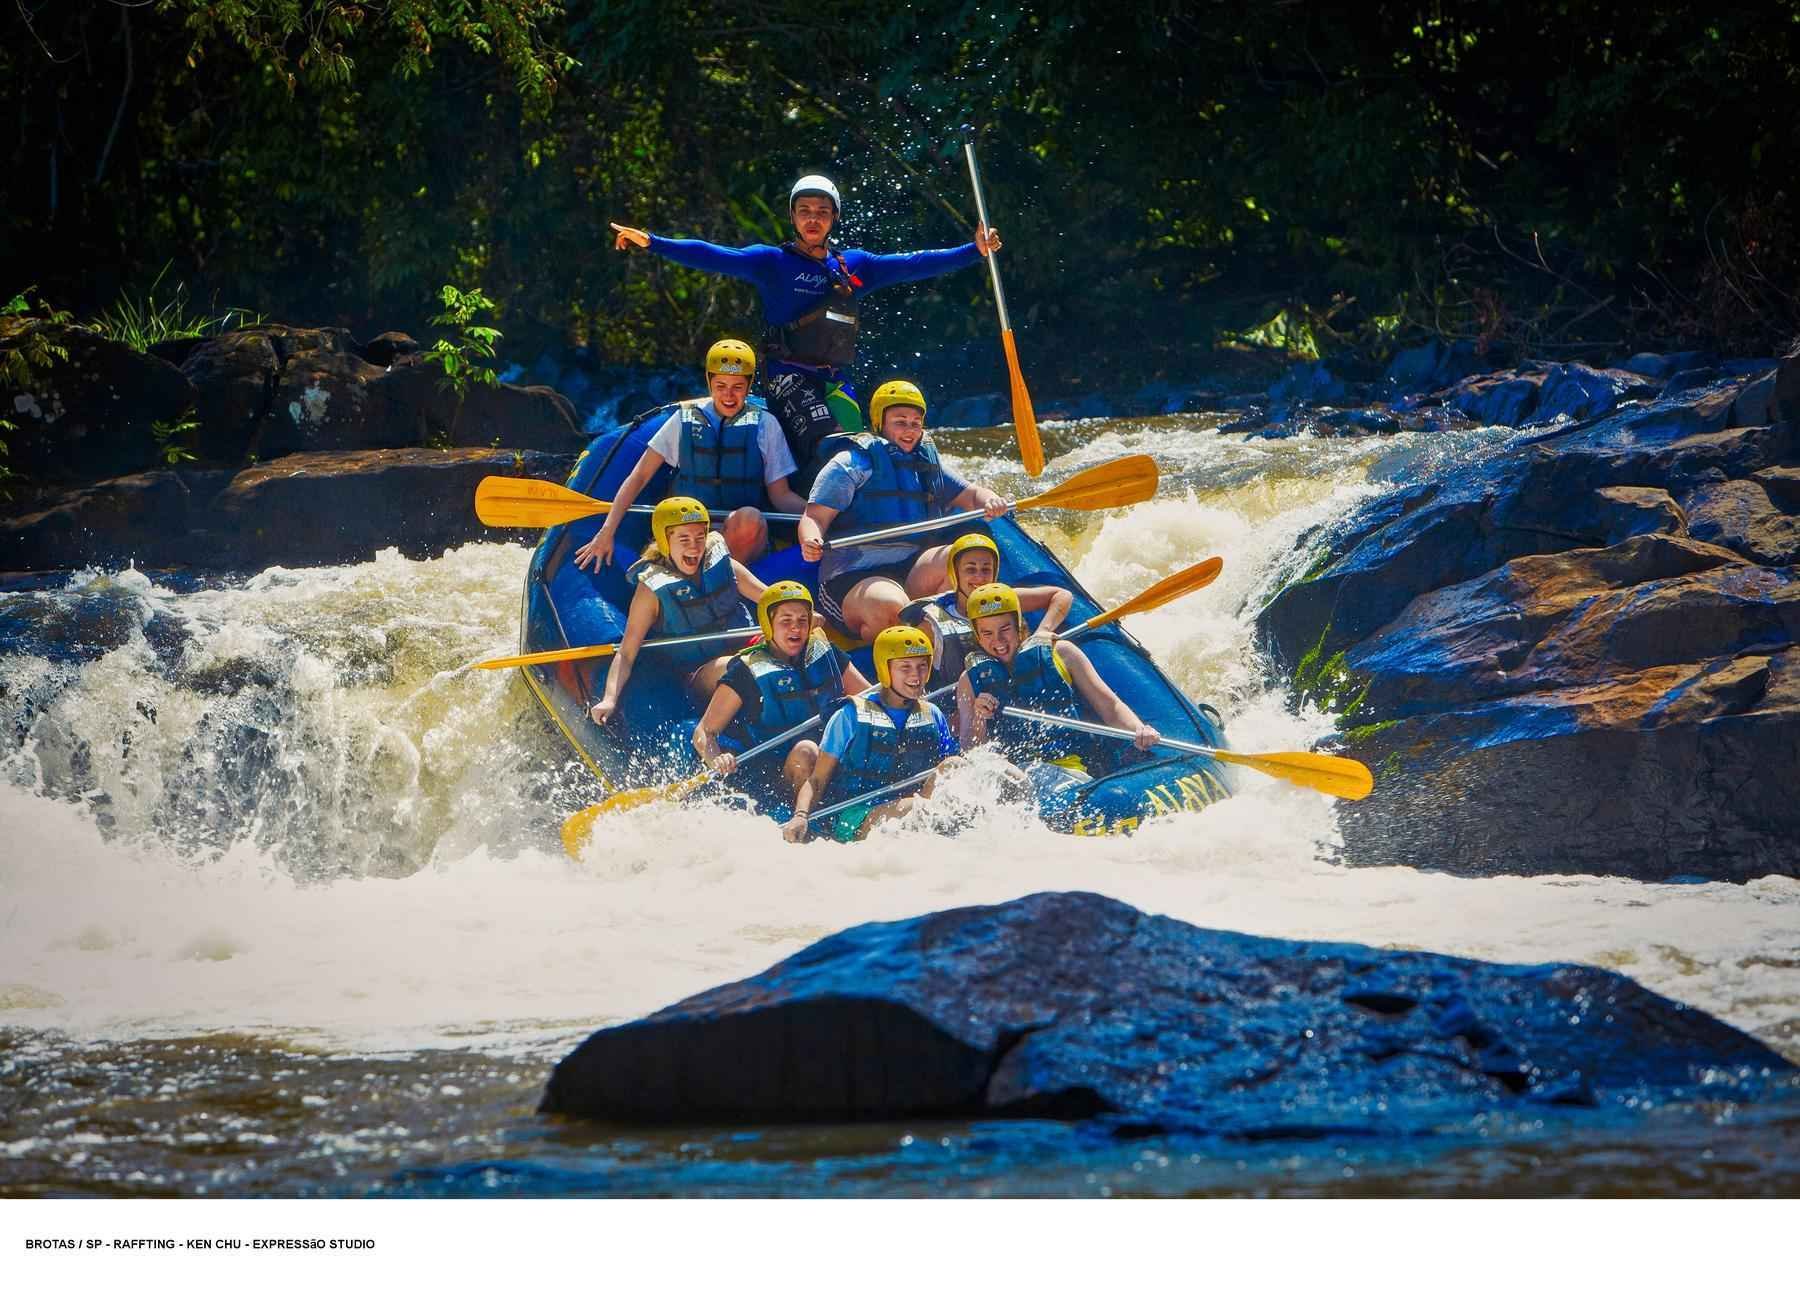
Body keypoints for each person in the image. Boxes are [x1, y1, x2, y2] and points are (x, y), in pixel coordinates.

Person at [609, 175, 1002, 482]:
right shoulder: (771, 262)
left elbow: (913, 263)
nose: (813, 218)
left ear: (833, 218)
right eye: (804, 210)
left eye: (822, 211)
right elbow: (713, 254)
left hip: (833, 379)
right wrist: (654, 242)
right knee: (831, 443)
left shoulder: (854, 266)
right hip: (786, 376)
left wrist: (974, 251)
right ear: (793, 217)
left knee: (865, 445)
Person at [795, 380, 1008, 642]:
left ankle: (955, 640)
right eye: (900, 421)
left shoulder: (925, 463)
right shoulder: (851, 464)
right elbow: (814, 517)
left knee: (965, 559)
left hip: (910, 565)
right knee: (891, 607)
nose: (909, 430)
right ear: (880, 423)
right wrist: (810, 539)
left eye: (915, 422)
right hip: (852, 575)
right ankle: (905, 657)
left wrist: (991, 500)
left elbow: (972, 495)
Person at [572, 339, 803, 568]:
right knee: (686, 529)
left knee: (751, 518)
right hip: (690, 530)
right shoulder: (682, 420)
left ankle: (722, 584)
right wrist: (606, 531)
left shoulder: (766, 425)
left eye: (737, 387)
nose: (729, 395)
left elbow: (781, 496)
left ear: (749, 385)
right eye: (721, 386)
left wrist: (821, 515)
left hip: (740, 535)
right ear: (709, 383)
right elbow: (639, 477)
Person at [588, 496, 767, 727]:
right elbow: (626, 653)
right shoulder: (650, 590)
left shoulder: (721, 563)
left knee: (798, 642)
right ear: (665, 541)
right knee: (735, 666)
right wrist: (609, 699)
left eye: (700, 537)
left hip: (746, 645)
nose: (694, 546)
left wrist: (801, 611)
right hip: (702, 672)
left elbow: (767, 597)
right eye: (684, 539)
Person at [955, 583, 1160, 779]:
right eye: (987, 633)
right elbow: (971, 751)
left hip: (1069, 769)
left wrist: (1138, 729)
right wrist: (979, 716)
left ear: (1018, 625)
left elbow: (1109, 705)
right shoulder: (969, 680)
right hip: (1010, 777)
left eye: (1005, 629)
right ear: (978, 637)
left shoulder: (1061, 653)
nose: (998, 640)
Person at [781, 625, 961, 844]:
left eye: (922, 666)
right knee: (917, 807)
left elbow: (948, 772)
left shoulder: (932, 714)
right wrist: (801, 816)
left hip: (913, 803)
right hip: (854, 815)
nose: (916, 675)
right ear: (885, 670)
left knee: (955, 765)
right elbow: (817, 780)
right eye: (905, 667)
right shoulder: (849, 715)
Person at [692, 581, 872, 795]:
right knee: (806, 751)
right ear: (769, 625)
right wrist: (716, 759)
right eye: (786, 621)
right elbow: (704, 731)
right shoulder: (746, 671)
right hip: (779, 769)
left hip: (831, 754)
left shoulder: (827, 653)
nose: (795, 628)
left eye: (802, 620)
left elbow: (869, 699)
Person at [898, 531, 1075, 685]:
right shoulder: (930, 623)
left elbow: (1061, 596)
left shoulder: (1004, 599)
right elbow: (908, 669)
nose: (980, 578)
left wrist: (1042, 632)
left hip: (1017, 684)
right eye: (970, 570)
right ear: (955, 573)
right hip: (965, 701)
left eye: (986, 569)